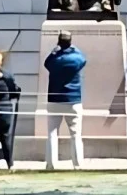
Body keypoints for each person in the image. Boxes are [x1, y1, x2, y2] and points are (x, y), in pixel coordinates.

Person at [44, 30, 87, 170]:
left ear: (59, 42)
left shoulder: (55, 59)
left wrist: (54, 52)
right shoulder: (76, 58)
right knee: (75, 134)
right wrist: (73, 48)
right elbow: (83, 59)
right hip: (73, 99)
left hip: (54, 99)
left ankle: (51, 164)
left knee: (52, 133)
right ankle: (77, 165)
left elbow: (46, 63)